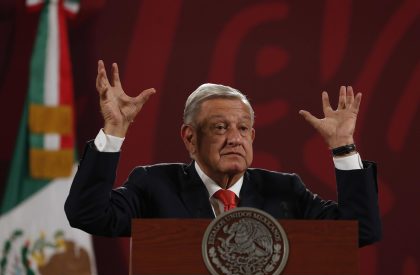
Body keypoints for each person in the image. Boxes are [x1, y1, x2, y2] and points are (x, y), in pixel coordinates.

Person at [65, 60, 381, 247]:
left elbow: (359, 233)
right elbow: (88, 215)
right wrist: (114, 131)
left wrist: (343, 148)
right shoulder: (154, 185)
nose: (234, 138)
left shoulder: (286, 191)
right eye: (219, 128)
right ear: (190, 138)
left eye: (243, 129)